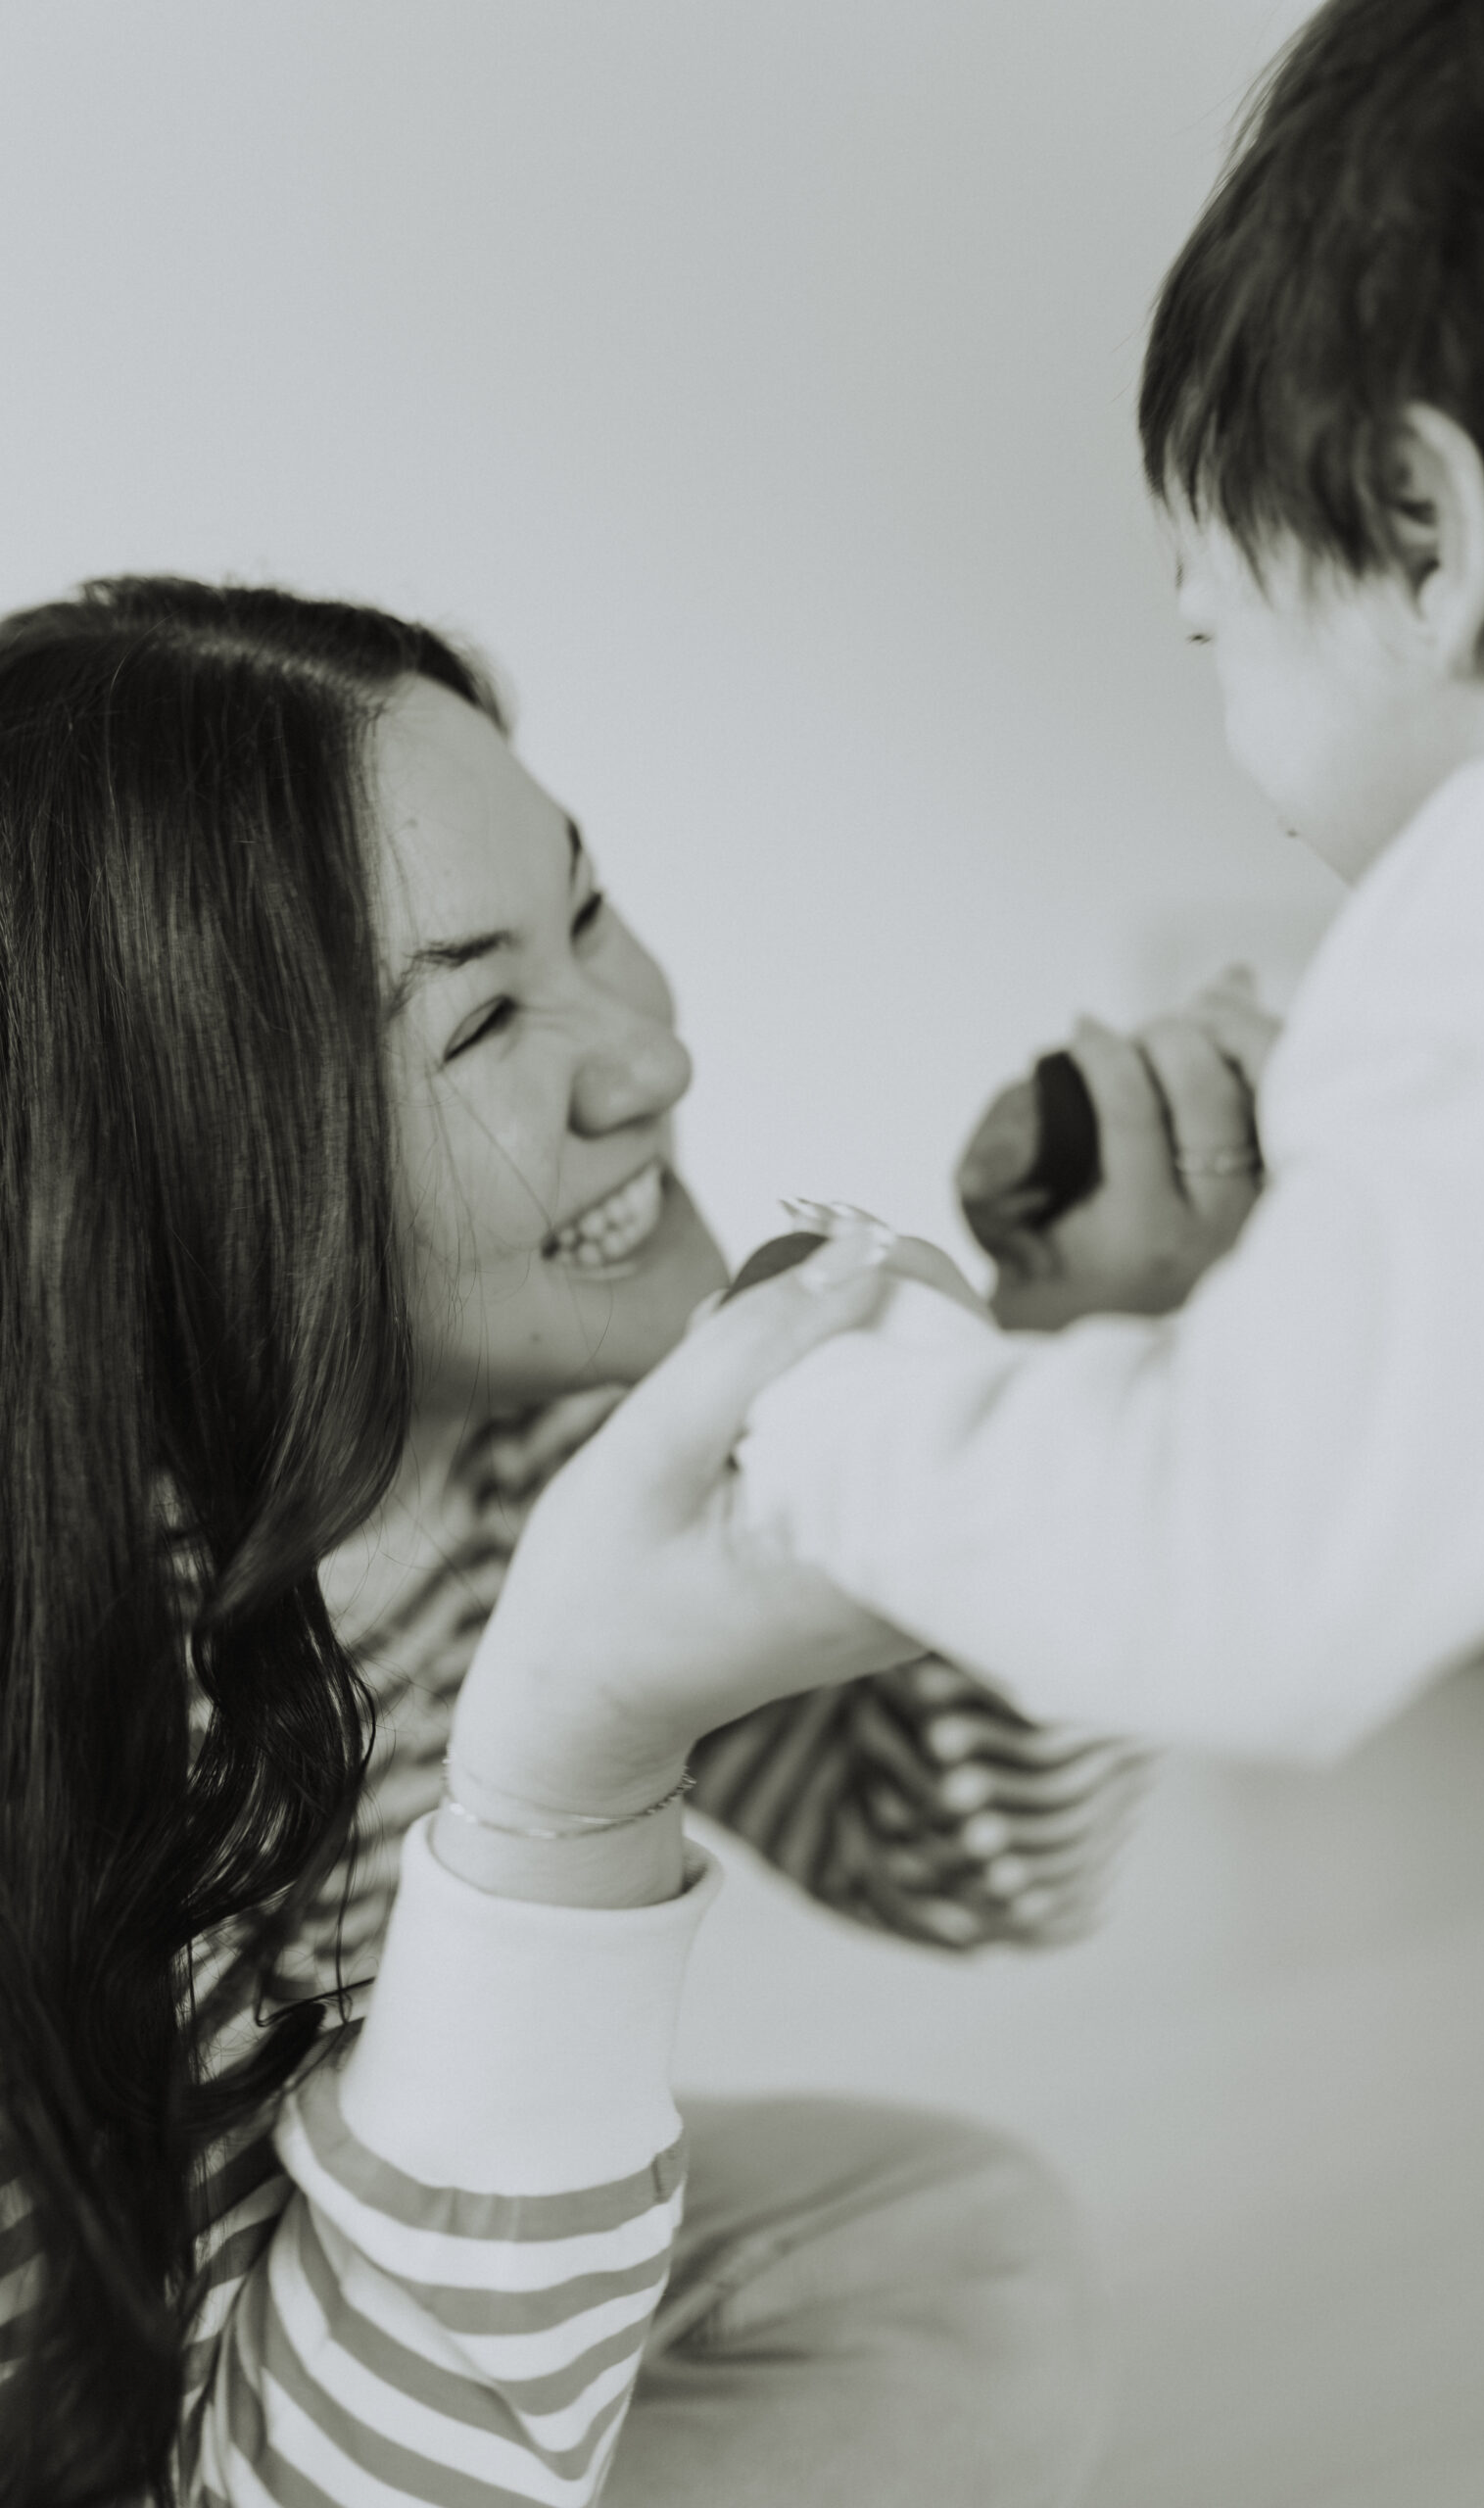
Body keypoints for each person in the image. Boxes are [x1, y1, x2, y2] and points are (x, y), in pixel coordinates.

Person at [0, 580, 1112, 2508]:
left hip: (279, 2304)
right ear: (182, 1170)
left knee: (954, 2249)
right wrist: (565, 1779)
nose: (645, 1060)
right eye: (484, 1013)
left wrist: (1058, 1386)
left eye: (584, 910)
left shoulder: (525, 1438)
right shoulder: (78, 1676)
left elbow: (970, 1864)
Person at [726, 0, 1484, 2122]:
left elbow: (1227, 1576)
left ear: (1416, 533)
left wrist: (822, 1395)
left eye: (1208, 633)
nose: (1235, 755)